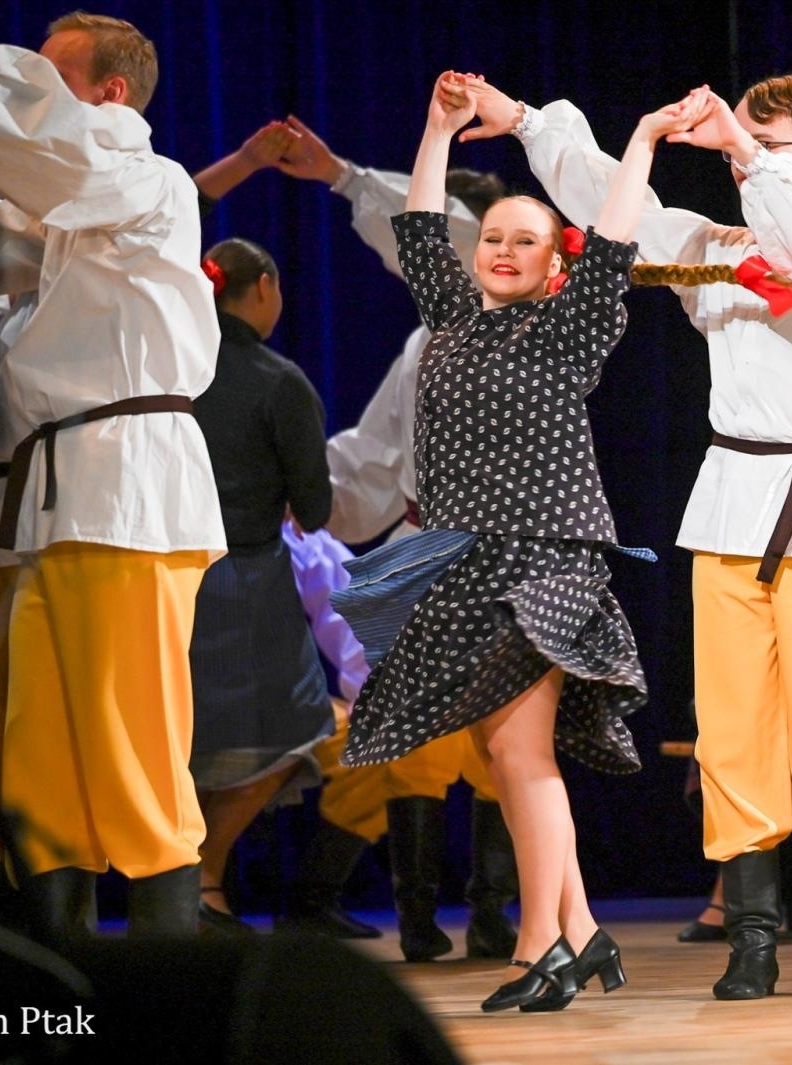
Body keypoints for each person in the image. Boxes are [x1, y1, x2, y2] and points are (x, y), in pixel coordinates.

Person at [463, 59, 792, 999]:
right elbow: (610, 198)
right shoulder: (718, 246)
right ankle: (750, 938)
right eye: (736, 145)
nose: (741, 165)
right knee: (734, 732)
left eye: (763, 145)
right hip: (733, 506)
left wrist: (746, 148)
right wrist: (524, 120)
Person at [340, 72, 691, 1013]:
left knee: (522, 756)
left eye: (522, 242)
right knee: (507, 756)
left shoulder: (572, 327)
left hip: (544, 559)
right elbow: (420, 224)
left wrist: (646, 139)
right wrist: (436, 130)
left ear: (552, 264)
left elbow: (617, 236)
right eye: (493, 238)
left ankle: (542, 943)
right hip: (468, 558)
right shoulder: (450, 320)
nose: (500, 251)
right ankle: (580, 931)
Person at [0, 11, 226, 938]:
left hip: (128, 497)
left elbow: (46, 161)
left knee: (133, 755)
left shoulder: (145, 182)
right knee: (41, 770)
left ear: (107, 96)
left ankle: (171, 999)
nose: (23, 98)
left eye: (46, 79)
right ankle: (62, 997)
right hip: (54, 503)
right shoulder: (66, 210)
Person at [273, 124, 520, 960]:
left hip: (502, 548)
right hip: (424, 543)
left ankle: (490, 910)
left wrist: (346, 174)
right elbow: (376, 452)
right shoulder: (424, 343)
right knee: (415, 740)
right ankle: (418, 919)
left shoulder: (527, 326)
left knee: (501, 740)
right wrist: (304, 490)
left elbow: (443, 232)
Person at [187, 238, 336, 934]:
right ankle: (204, 873)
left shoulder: (172, 367)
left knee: (181, 740)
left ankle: (190, 880)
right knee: (295, 728)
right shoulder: (279, 380)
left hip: (168, 574)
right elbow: (316, 509)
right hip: (246, 578)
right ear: (265, 286)